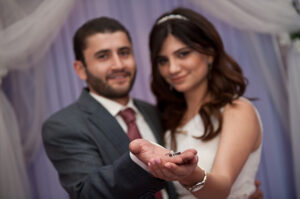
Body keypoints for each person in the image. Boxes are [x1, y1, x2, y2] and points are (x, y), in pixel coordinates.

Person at [41, 16, 198, 199]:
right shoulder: (63, 126)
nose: (119, 65)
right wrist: (140, 162)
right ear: (81, 69)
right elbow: (87, 193)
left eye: (124, 52)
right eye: (103, 56)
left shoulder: (153, 111)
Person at [132, 7, 263, 199]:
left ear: (209, 53)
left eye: (183, 54)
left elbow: (221, 188)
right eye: (163, 60)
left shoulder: (237, 110)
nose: (173, 68)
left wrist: (189, 175)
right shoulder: (169, 120)